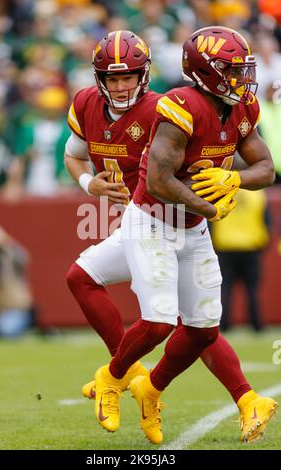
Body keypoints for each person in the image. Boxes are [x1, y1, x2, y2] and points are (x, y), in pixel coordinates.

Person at [91, 27, 278, 445]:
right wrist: (212, 206)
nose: (243, 79)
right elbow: (158, 180)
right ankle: (110, 378)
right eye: (232, 70)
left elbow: (265, 168)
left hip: (190, 227)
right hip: (151, 221)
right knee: (158, 323)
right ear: (205, 72)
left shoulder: (242, 107)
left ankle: (150, 390)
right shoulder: (182, 106)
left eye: (243, 69)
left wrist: (233, 178)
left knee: (202, 328)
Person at [212, 188, 271, 331]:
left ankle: (224, 325)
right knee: (252, 288)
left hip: (225, 245)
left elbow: (211, 220)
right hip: (251, 245)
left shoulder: (220, 190)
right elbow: (266, 221)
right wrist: (263, 243)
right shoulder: (258, 193)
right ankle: (256, 325)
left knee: (225, 288)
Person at [0, 223, 32, 337]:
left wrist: (4, 241)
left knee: (7, 329)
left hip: (13, 309)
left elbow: (24, 257)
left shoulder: (13, 260)